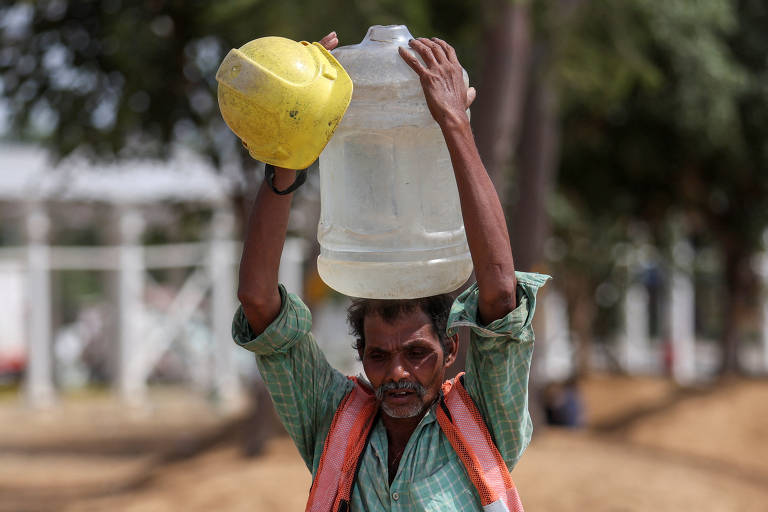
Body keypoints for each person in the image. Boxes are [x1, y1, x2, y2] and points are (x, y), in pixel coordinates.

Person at [232, 31, 549, 511]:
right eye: (379, 355)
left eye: (418, 352)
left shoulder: (485, 422)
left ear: (450, 349)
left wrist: (454, 125)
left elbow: (501, 295)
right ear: (360, 356)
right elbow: (259, 303)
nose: (397, 372)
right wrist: (287, 157)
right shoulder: (330, 422)